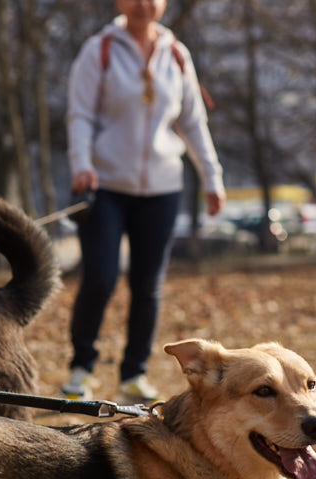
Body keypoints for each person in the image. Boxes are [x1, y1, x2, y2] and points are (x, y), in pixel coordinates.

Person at [63, 0, 224, 403]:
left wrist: (212, 177)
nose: (142, 4)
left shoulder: (175, 53)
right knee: (100, 278)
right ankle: (80, 369)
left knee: (147, 285)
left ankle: (133, 373)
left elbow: (191, 120)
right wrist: (81, 163)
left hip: (162, 188)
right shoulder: (98, 49)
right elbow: (80, 114)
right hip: (105, 185)